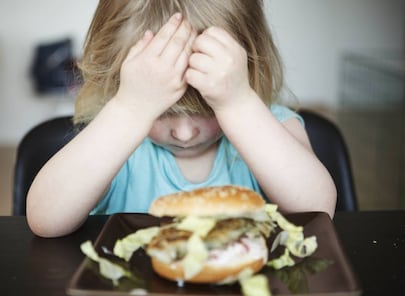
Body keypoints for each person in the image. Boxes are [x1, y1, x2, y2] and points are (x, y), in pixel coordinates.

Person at [26, 0, 337, 238]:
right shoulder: (114, 137)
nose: (185, 134)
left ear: (248, 74)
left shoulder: (270, 125)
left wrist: (239, 106)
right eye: (161, 113)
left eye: (209, 109)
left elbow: (318, 211)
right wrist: (130, 111)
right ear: (117, 85)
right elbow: (45, 220)